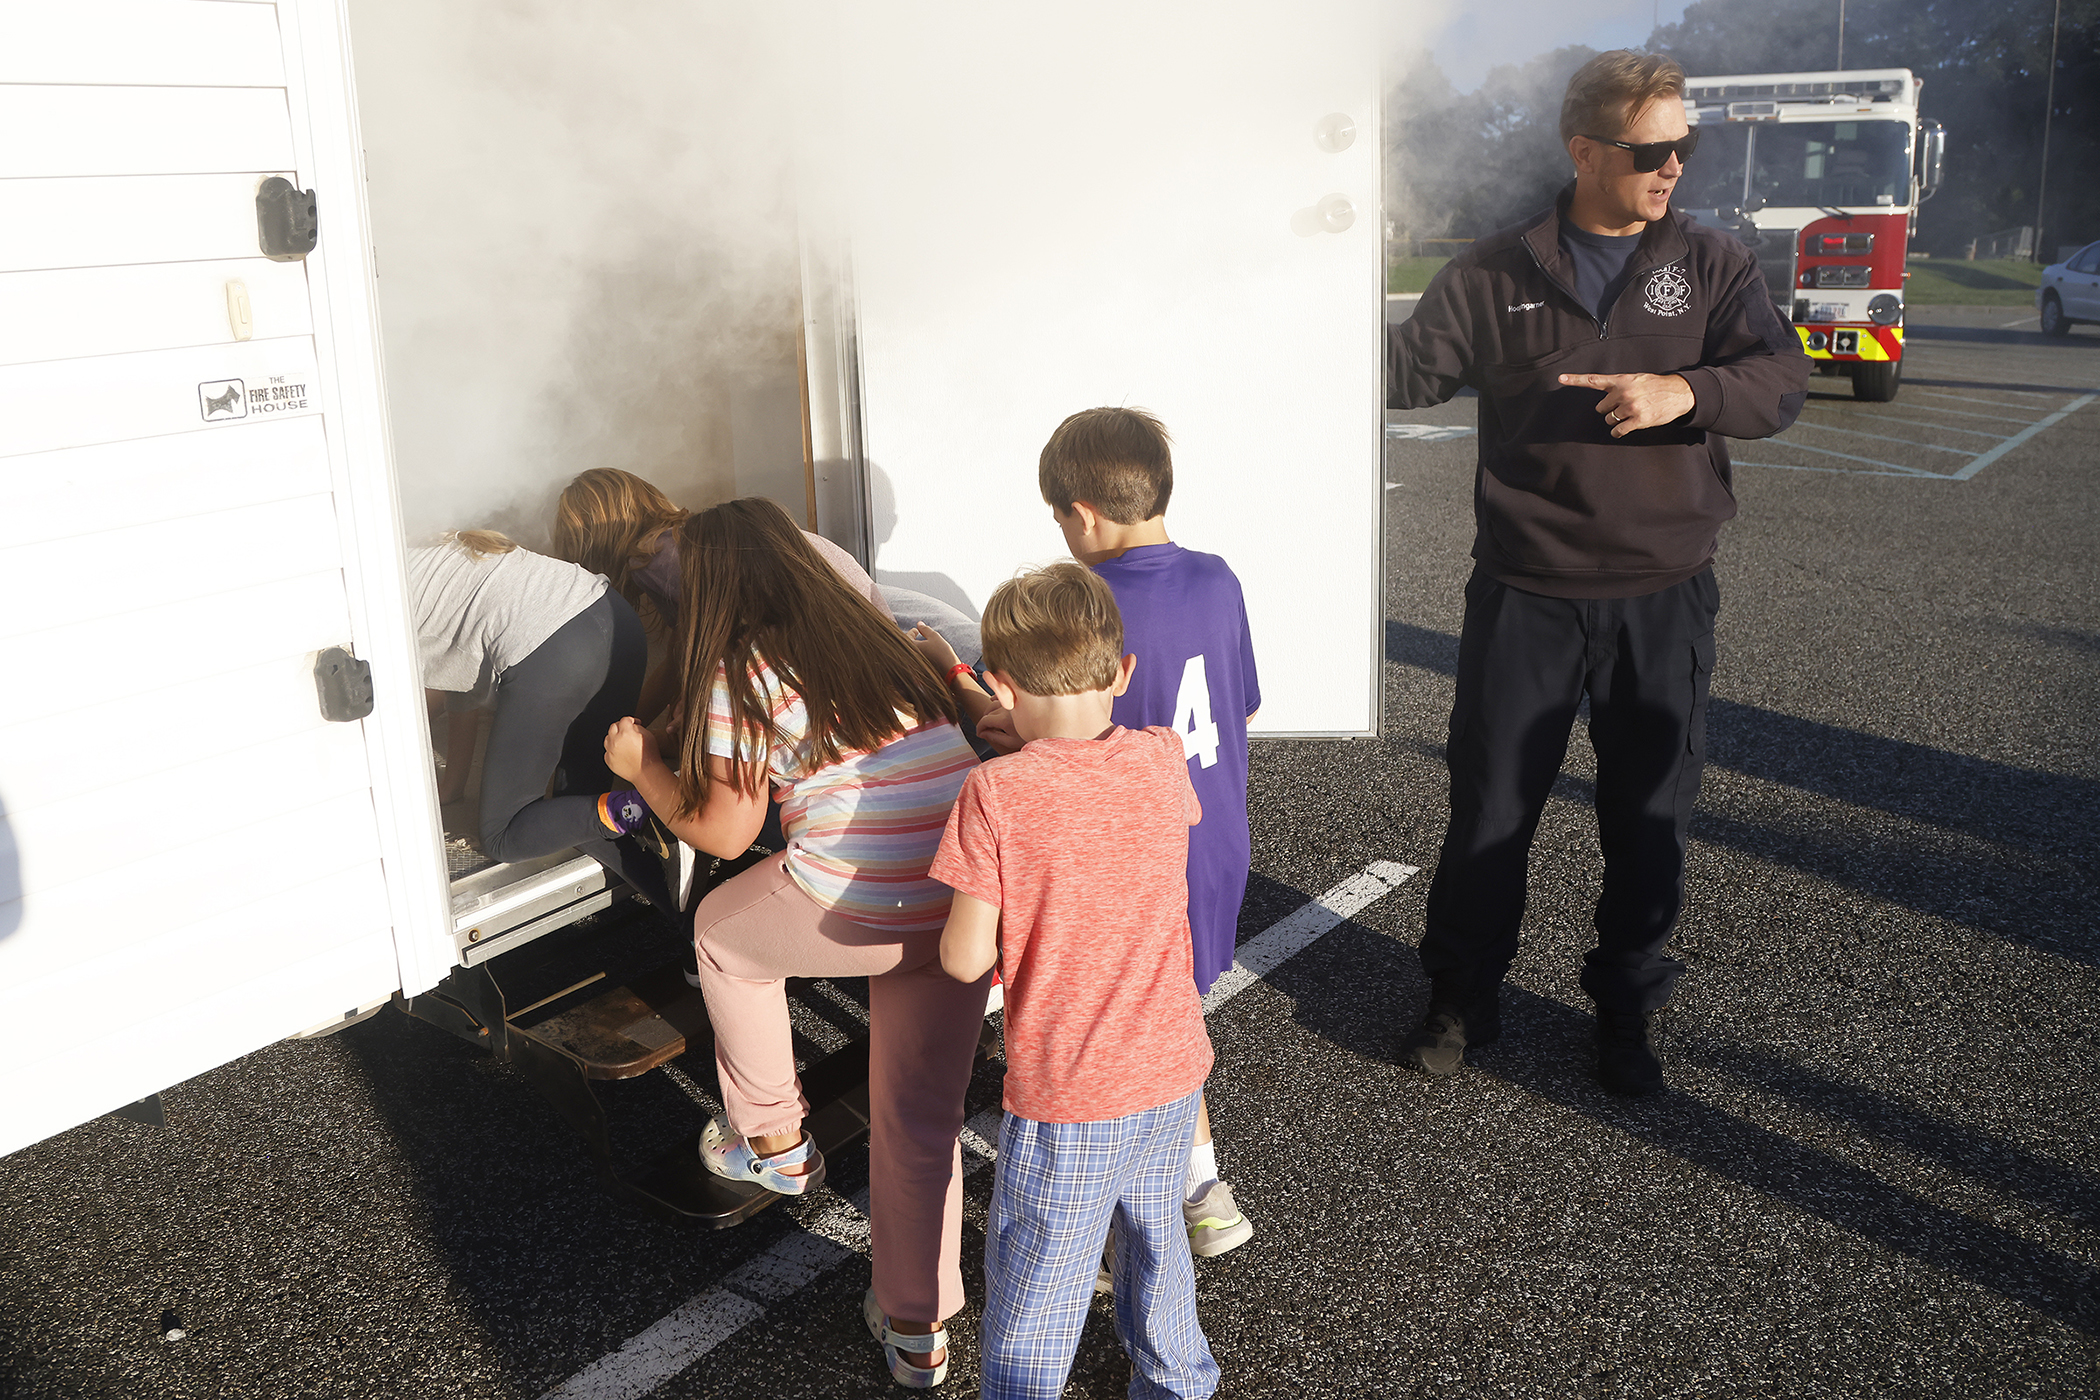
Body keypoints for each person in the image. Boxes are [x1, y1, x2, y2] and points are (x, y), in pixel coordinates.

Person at [1385, 50, 1810, 1094]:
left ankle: (1625, 1011)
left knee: (1648, 819)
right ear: (1585, 151)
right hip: (1525, 590)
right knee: (1490, 809)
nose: (1674, 166)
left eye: (1684, 146)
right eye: (1651, 149)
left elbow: (1779, 380)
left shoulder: (1711, 263)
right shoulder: (1493, 271)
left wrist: (1686, 391)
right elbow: (1402, 372)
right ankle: (1462, 994)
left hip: (1664, 593)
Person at [601, 497, 984, 1390]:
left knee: (721, 934)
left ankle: (773, 1141)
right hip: (963, 900)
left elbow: (726, 831)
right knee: (920, 1124)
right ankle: (917, 1331)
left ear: (716, 584)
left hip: (863, 903)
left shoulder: (738, 665)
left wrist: (639, 766)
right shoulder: (877, 635)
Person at [914, 407, 1260, 1261]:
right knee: (1166, 1014)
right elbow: (1240, 706)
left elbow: (1070, 764)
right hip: (1215, 842)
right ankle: (1202, 1189)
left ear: (1083, 515)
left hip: (1133, 859)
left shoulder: (1098, 607)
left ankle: (1132, 1213)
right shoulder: (1219, 578)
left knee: (1114, 1031)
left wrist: (963, 689)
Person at [933, 561, 1219, 1400]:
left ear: (1000, 686)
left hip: (1070, 1090)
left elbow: (963, 958)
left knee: (1041, 1279)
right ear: (1122, 672)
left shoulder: (994, 792)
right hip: (1170, 1070)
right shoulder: (1162, 756)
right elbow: (1114, 810)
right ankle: (1177, 1382)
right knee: (1156, 1243)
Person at [407, 530, 667, 895]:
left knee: (504, 835)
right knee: (576, 816)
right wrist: (452, 786)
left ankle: (639, 809)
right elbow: (459, 684)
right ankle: (679, 893)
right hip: (618, 620)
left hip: (558, 652)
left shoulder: (380, 599)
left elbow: (410, 707)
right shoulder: (434, 550)